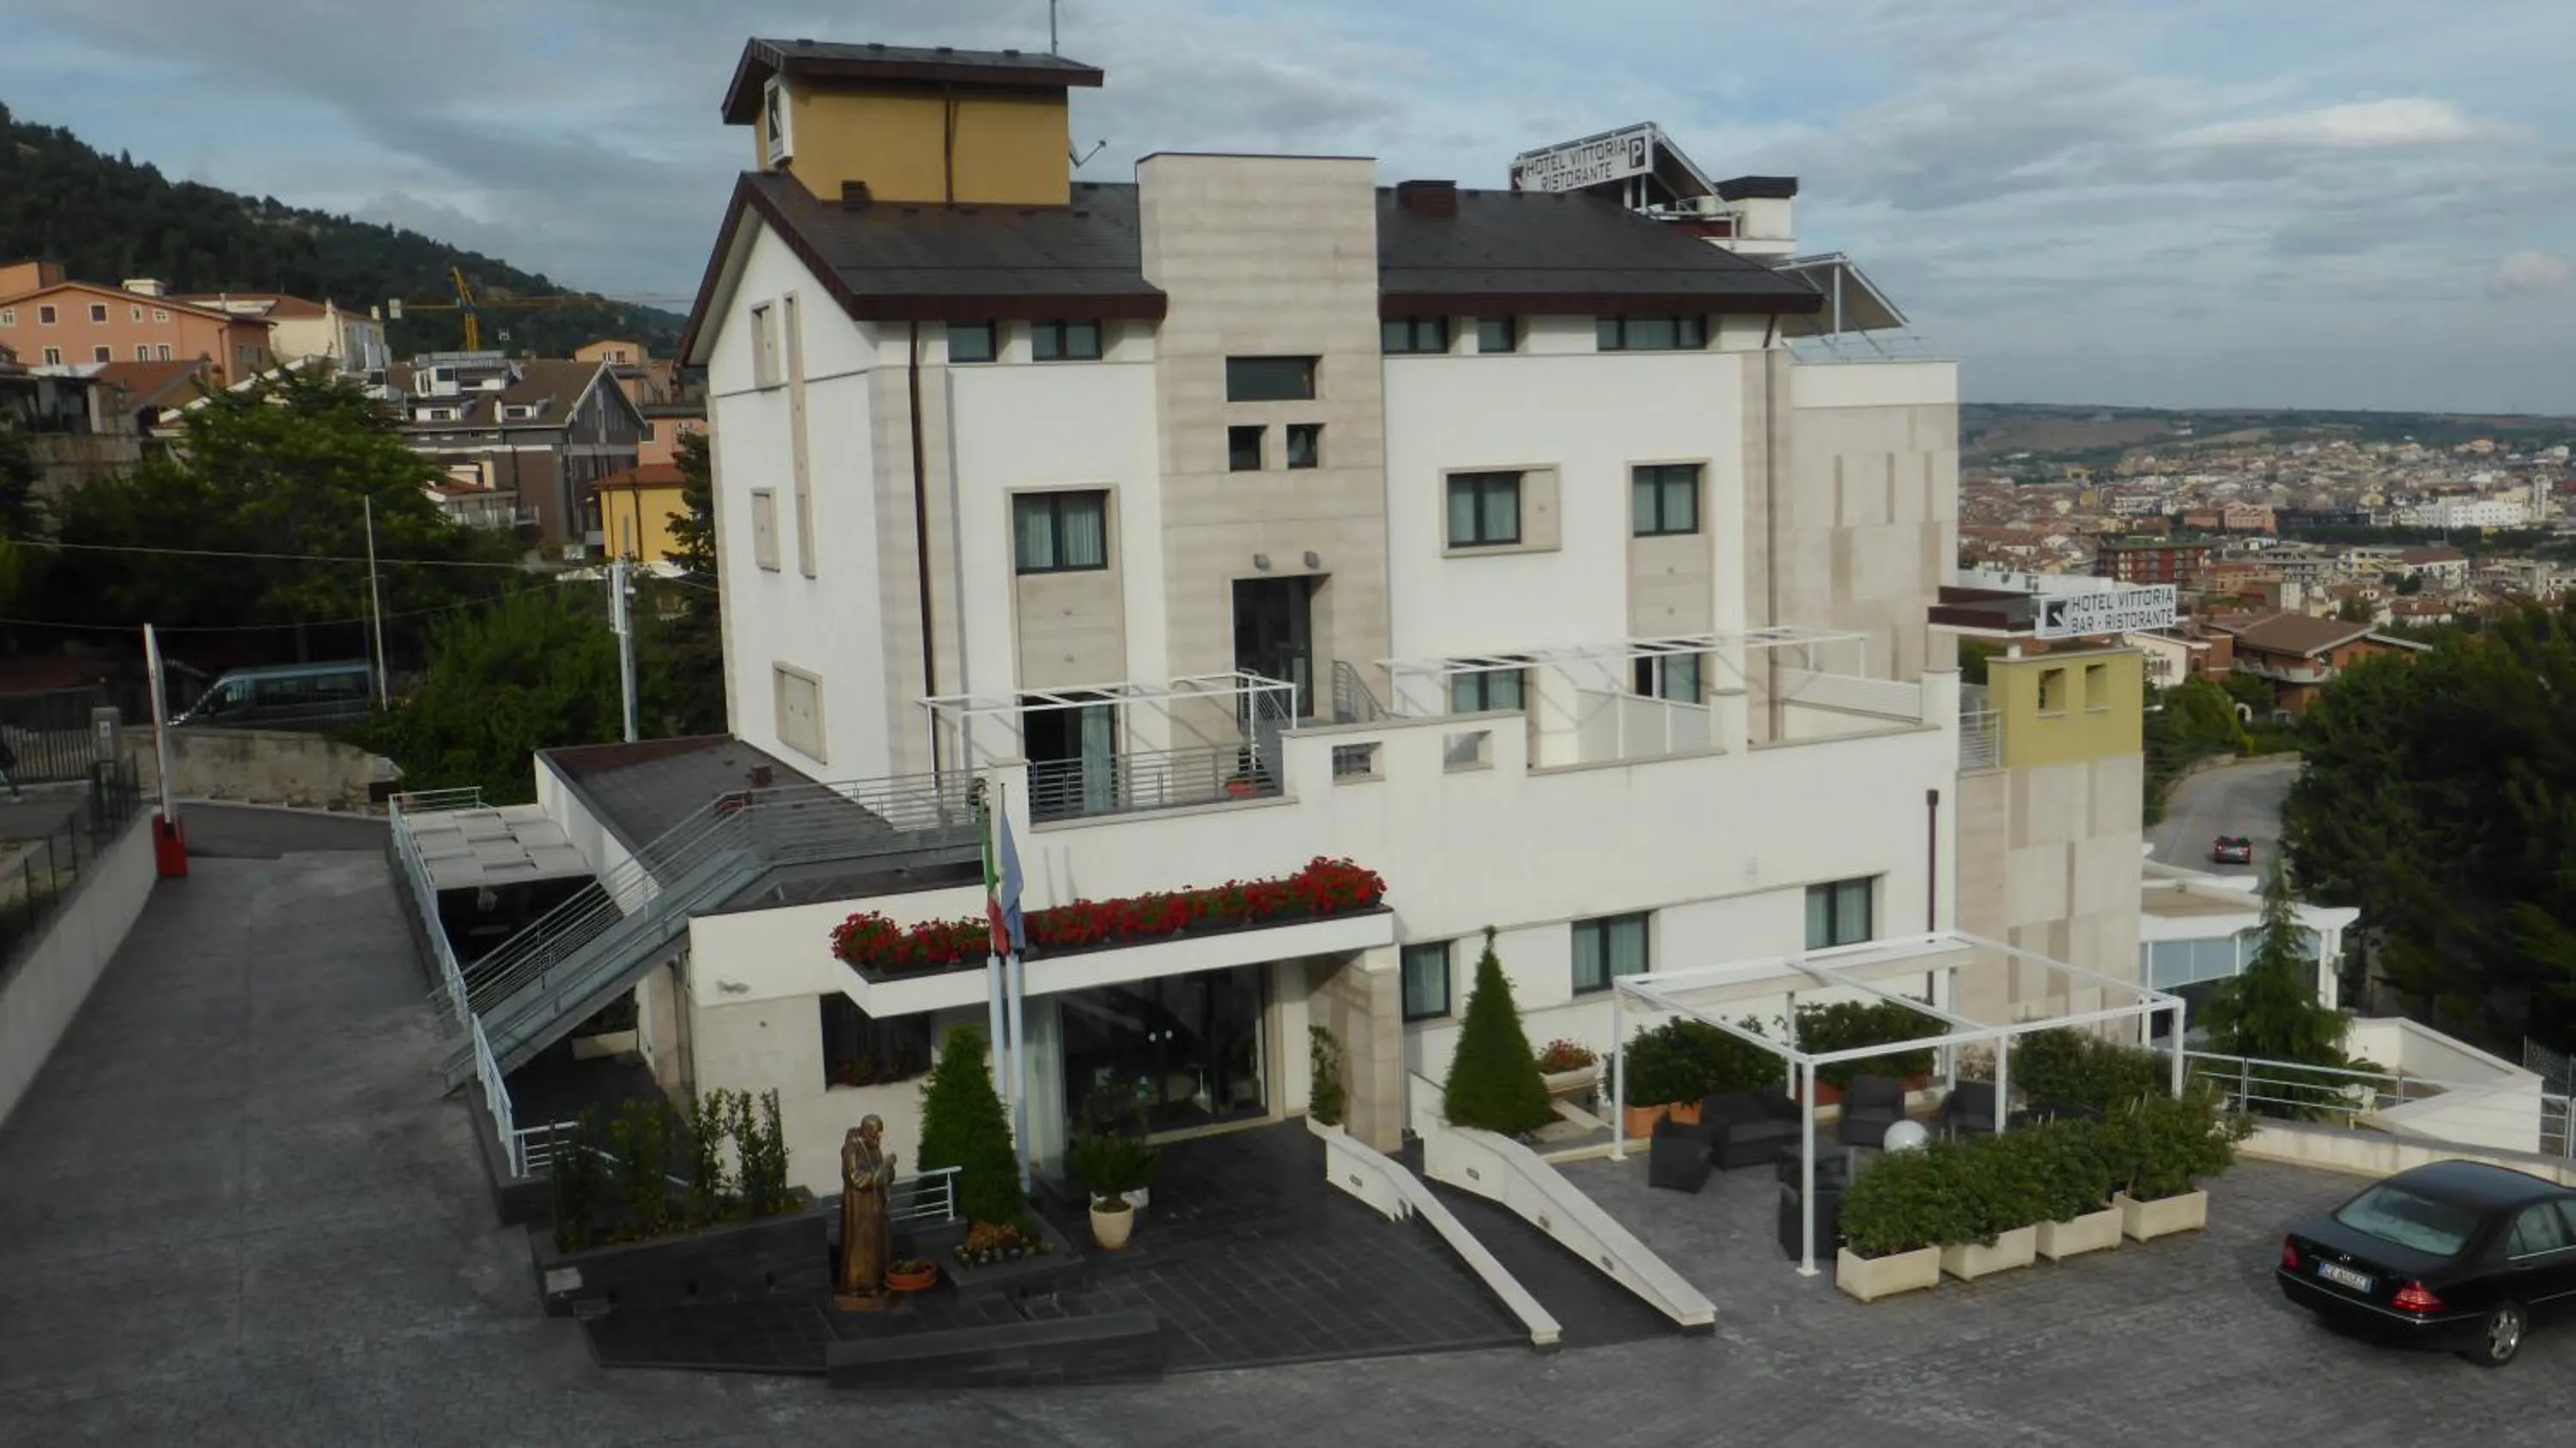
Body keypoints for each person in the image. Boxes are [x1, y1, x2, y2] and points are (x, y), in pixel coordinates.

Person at [835, 1115, 895, 1305]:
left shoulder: (873, 1145)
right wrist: (882, 1169)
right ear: (866, 1131)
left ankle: (876, 1282)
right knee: (860, 1244)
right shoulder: (853, 1148)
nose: (879, 1137)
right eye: (875, 1133)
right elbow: (857, 1178)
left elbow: (880, 1174)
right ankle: (858, 1286)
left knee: (876, 1243)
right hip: (859, 1207)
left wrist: (888, 1170)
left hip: (874, 1205)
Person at [0, 734, 21, 799]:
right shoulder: (2, 744)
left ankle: (16, 794)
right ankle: (16, 794)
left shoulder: (2, 744)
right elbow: (8, 751)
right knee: (9, 779)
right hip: (3, 763)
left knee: (9, 778)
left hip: (3, 763)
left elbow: (7, 751)